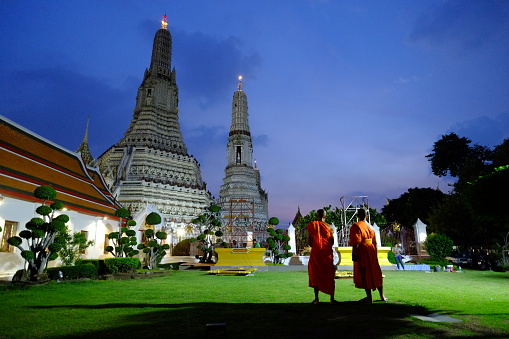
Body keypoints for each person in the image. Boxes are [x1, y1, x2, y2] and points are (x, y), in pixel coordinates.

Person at [349, 208, 387, 303]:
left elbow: (356, 241)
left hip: (363, 250)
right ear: (366, 216)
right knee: (376, 272)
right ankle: (382, 296)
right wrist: (375, 253)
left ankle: (369, 297)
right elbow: (375, 242)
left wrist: (354, 253)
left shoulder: (356, 226)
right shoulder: (371, 226)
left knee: (364, 272)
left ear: (357, 216)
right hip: (372, 250)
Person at [307, 209, 337, 304]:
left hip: (316, 254)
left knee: (315, 275)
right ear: (325, 216)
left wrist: (317, 245)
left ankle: (316, 299)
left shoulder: (313, 225)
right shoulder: (329, 227)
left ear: (317, 216)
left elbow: (309, 242)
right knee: (329, 275)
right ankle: (331, 299)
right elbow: (332, 242)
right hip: (326, 254)